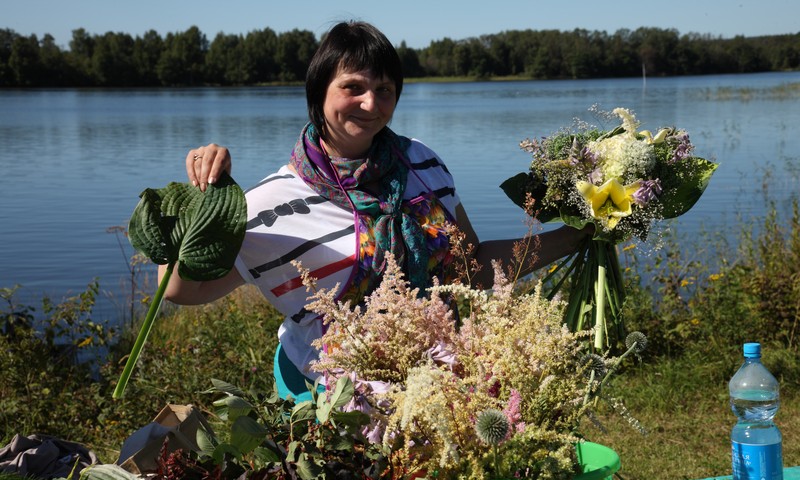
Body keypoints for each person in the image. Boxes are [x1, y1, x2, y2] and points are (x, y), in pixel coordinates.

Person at [159, 21, 587, 401]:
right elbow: (181, 290)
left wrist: (578, 234)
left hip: (437, 384)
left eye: (384, 90)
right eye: (353, 87)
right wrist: (202, 200)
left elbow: (469, 266)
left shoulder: (421, 163)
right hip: (332, 401)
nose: (370, 104)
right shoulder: (272, 203)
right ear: (318, 90)